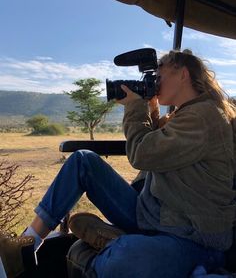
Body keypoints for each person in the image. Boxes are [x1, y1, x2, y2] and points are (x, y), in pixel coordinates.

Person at [2, 49, 236, 278]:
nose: (155, 83)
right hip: (156, 215)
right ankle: (25, 246)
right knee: (83, 161)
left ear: (183, 74)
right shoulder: (185, 114)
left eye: (159, 76)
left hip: (193, 238)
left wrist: (135, 107)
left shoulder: (205, 116)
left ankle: (114, 242)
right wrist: (149, 107)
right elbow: (160, 143)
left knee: (125, 259)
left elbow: (142, 154)